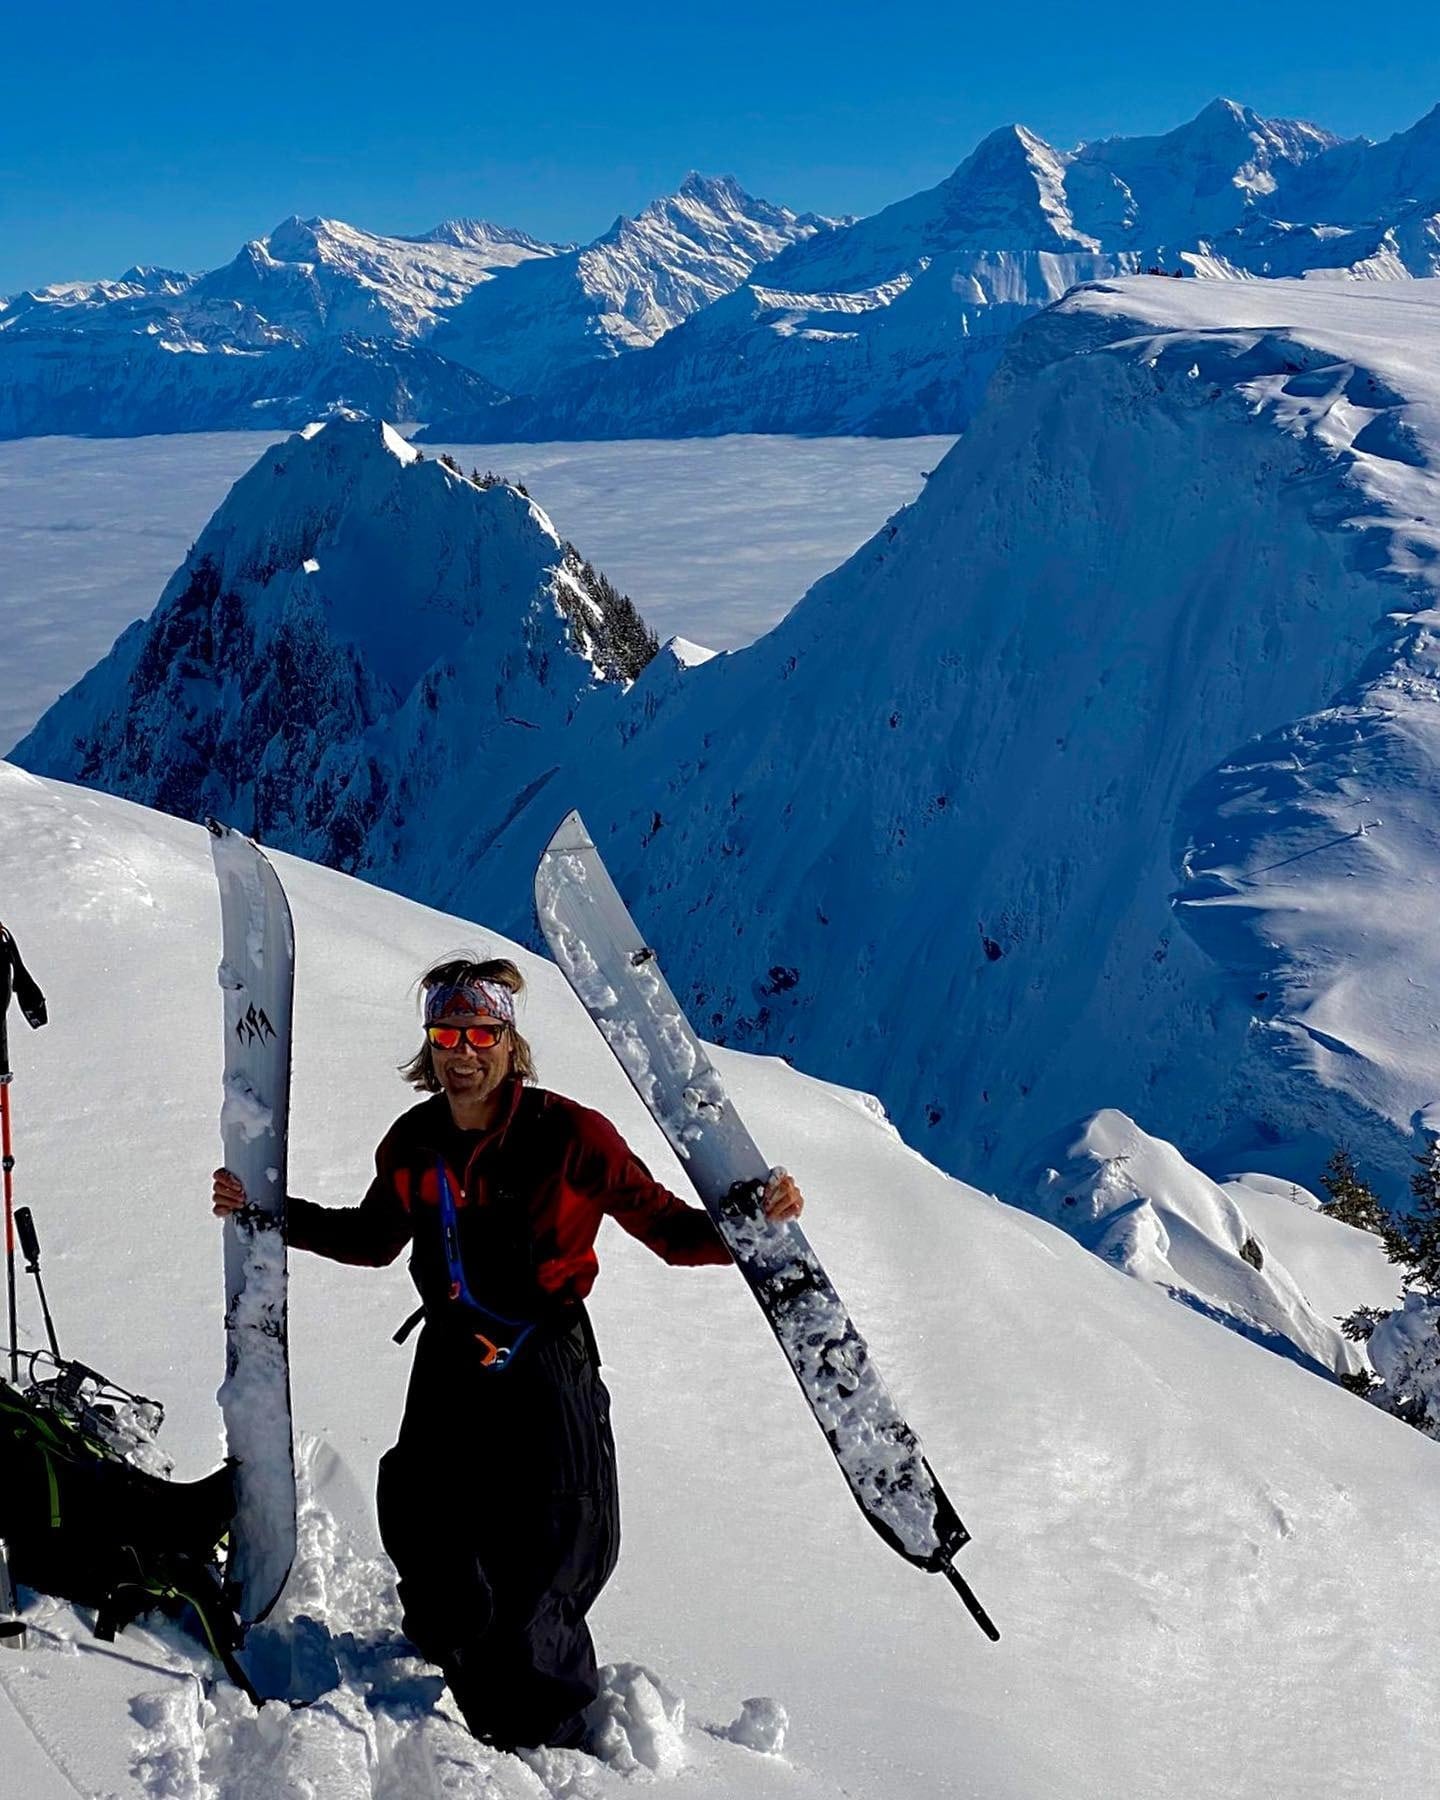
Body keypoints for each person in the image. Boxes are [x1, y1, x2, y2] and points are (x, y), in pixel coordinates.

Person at [211, 955, 802, 1751]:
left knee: (558, 1539)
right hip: (453, 1351)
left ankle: (545, 1727)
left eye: (481, 1032)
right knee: (424, 1513)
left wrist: (755, 1220)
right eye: (448, 1032)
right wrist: (270, 1214)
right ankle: (456, 1648)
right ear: (431, 1044)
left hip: (546, 1357)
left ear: (508, 1041)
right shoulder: (414, 1143)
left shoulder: (573, 1138)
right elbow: (373, 1238)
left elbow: (668, 1230)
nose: (463, 1050)